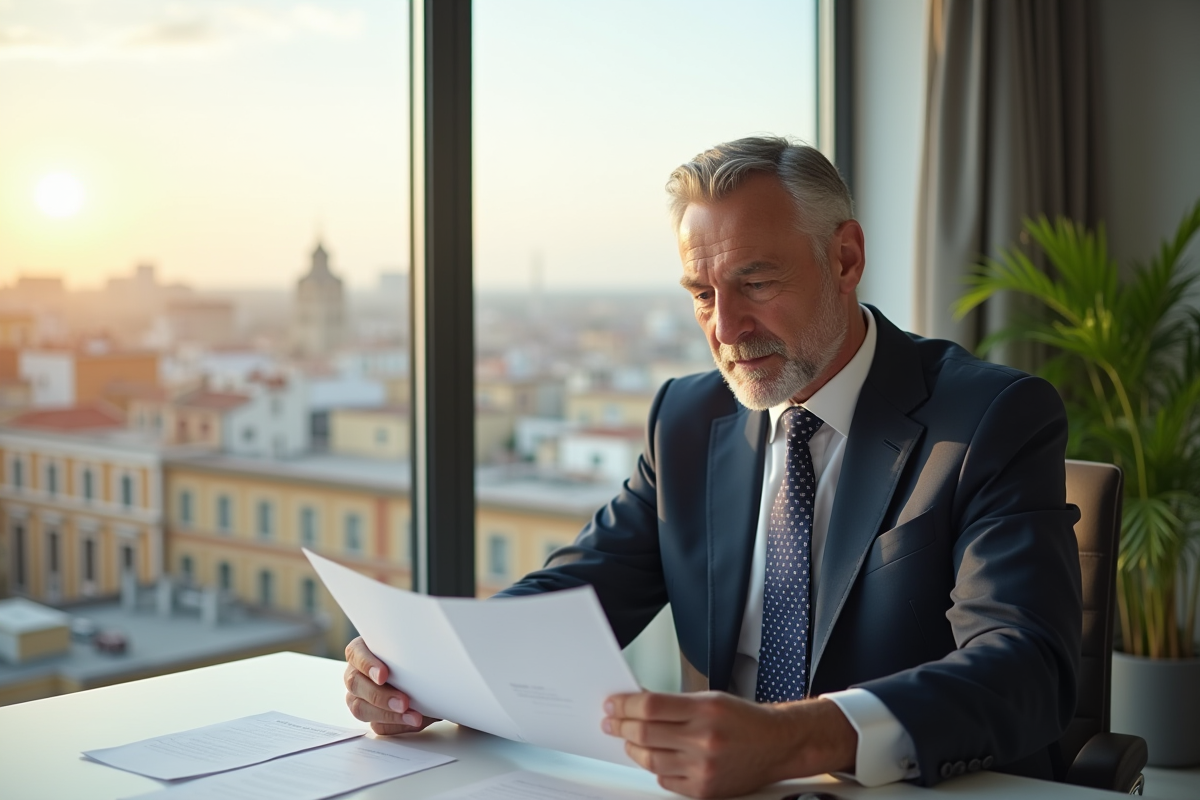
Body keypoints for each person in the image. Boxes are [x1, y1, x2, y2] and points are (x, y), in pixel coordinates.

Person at [343, 137, 1083, 799]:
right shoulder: (688, 419)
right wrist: (426, 671)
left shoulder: (989, 418)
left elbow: (1026, 667)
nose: (726, 330)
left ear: (846, 258)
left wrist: (795, 738)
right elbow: (575, 597)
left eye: (757, 284)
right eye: (703, 295)